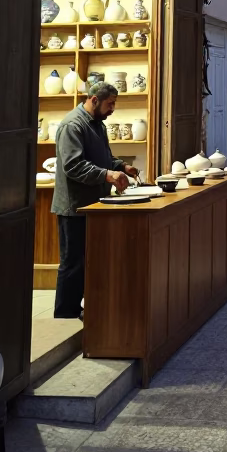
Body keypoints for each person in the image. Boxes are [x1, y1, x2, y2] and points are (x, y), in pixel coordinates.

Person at [51, 82, 139, 319]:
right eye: (110, 104)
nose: (112, 109)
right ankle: (64, 315)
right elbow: (73, 166)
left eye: (114, 104)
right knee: (72, 263)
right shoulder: (73, 125)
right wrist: (108, 175)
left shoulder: (97, 125)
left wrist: (121, 166)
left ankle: (77, 309)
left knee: (87, 261)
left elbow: (104, 158)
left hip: (93, 203)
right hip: (73, 206)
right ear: (93, 100)